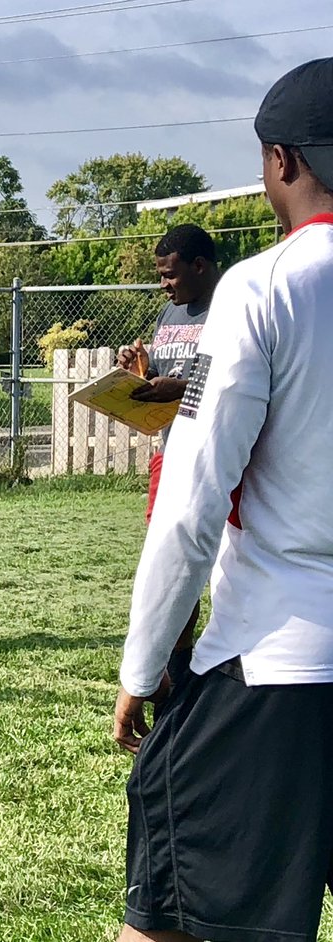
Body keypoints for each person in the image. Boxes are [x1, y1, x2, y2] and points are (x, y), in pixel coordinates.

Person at [114, 57, 333, 942]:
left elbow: (194, 500)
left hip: (281, 662)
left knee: (165, 903)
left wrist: (142, 663)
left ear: (281, 160)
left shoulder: (263, 286)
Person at [115, 224, 220, 682]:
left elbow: (245, 379)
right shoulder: (169, 316)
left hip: (219, 452)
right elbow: (158, 373)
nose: (163, 284)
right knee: (170, 559)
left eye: (170, 275)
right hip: (171, 453)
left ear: (199, 266)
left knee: (223, 560)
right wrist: (136, 371)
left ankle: (223, 660)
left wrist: (184, 387)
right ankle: (178, 666)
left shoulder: (231, 309)